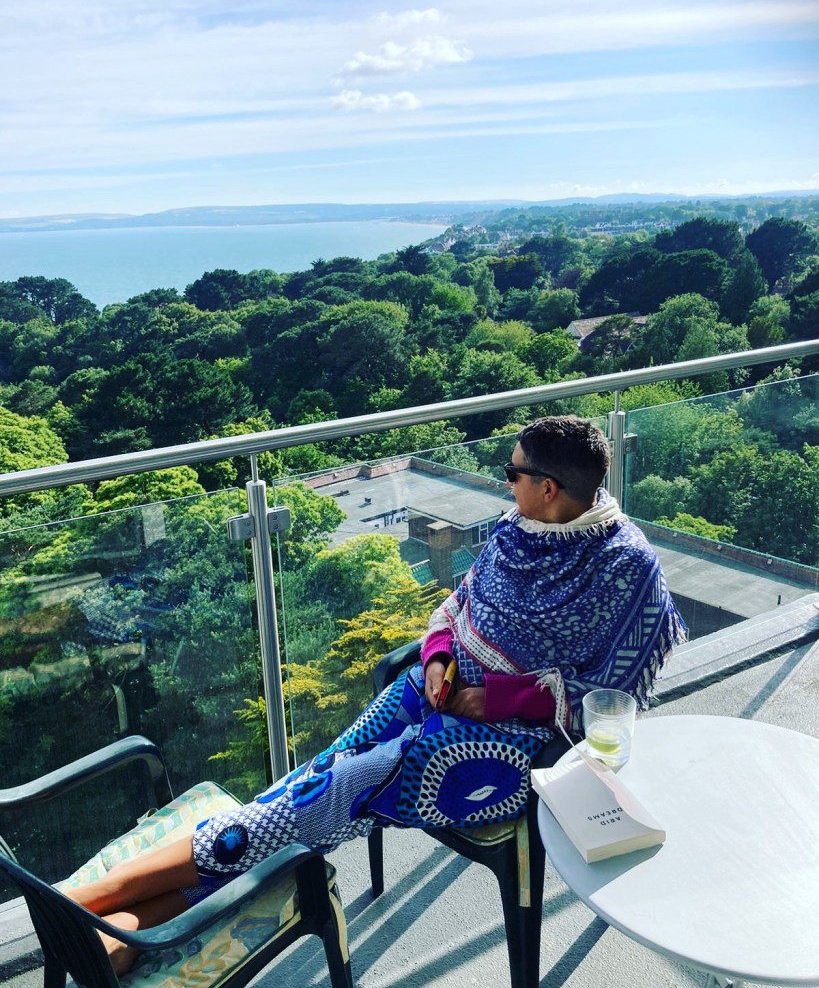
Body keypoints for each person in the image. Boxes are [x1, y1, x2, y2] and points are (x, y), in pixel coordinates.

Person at [65, 415, 687, 972]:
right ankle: (129, 926)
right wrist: (438, 657)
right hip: (435, 692)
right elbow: (460, 604)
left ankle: (85, 902)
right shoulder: (516, 528)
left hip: (515, 749)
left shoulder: (624, 566)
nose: (506, 484)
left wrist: (493, 701)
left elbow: (610, 695)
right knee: (317, 776)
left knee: (333, 791)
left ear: (548, 488)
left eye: (513, 473)